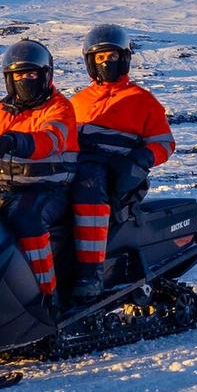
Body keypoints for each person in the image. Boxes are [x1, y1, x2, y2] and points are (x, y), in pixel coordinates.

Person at [0, 40, 78, 307]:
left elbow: (49, 140)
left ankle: (46, 298)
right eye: (19, 75)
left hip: (47, 190)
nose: (25, 80)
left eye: (31, 74)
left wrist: (14, 141)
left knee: (26, 219)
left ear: (46, 75)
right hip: (4, 188)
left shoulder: (59, 108)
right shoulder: (0, 111)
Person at [69, 24, 176, 304]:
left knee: (88, 185)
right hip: (78, 167)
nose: (106, 63)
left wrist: (142, 157)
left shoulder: (142, 101)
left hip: (117, 174)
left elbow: (165, 143)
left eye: (112, 57)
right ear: (90, 62)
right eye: (100, 58)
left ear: (124, 58)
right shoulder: (78, 101)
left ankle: (90, 272)